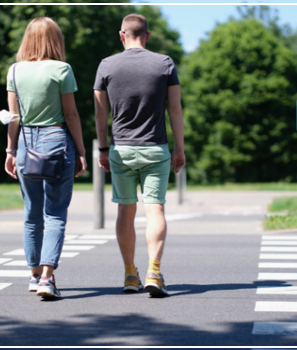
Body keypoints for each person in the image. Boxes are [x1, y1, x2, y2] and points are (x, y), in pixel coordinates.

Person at [94, 14, 185, 296]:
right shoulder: (164, 63)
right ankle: (154, 271)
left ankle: (130, 274)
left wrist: (103, 148)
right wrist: (179, 148)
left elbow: (100, 111)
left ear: (122, 35)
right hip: (155, 148)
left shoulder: (107, 65)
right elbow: (175, 109)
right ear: (147, 35)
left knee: (125, 210)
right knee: (155, 208)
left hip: (121, 149)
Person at [4, 17, 87, 298]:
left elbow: (13, 118)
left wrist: (10, 151)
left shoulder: (14, 71)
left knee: (31, 214)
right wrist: (82, 150)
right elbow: (71, 114)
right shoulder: (62, 70)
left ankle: (33, 274)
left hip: (26, 145)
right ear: (56, 40)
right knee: (55, 213)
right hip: (57, 144)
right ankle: (48, 279)